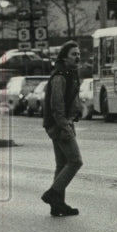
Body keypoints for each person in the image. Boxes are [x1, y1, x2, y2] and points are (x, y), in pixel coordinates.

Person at [41, 41, 84, 217]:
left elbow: (71, 99)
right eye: (74, 54)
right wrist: (64, 126)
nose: (78, 57)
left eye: (78, 53)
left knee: (62, 164)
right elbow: (56, 105)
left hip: (63, 121)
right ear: (64, 58)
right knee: (75, 161)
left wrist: (76, 112)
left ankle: (57, 204)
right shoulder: (60, 76)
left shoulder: (70, 73)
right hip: (59, 123)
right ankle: (53, 194)